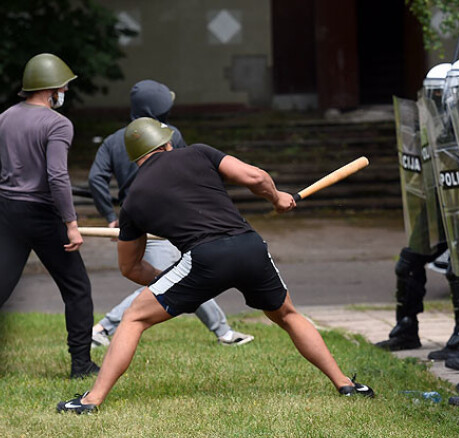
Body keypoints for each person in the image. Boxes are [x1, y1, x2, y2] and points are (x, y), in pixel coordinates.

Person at [57, 117, 374, 412]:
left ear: (135, 158)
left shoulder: (134, 199)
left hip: (204, 260)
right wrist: (277, 198)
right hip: (250, 247)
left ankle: (92, 399)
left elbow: (131, 268)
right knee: (288, 315)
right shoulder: (198, 153)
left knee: (134, 318)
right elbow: (256, 177)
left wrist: (169, 283)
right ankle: (345, 384)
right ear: (168, 143)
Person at [87, 79, 253, 347]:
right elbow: (187, 174)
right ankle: (102, 328)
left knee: (186, 273)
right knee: (168, 278)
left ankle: (223, 332)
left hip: (136, 219)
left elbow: (96, 180)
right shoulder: (170, 135)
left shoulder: (114, 140)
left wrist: (111, 217)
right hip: (173, 219)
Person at [0, 53, 98, 378]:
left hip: (7, 211)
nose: (65, 94)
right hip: (41, 215)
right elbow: (57, 177)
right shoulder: (57, 124)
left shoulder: (5, 117)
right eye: (64, 88)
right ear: (50, 89)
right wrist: (72, 225)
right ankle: (82, 366)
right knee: (77, 289)